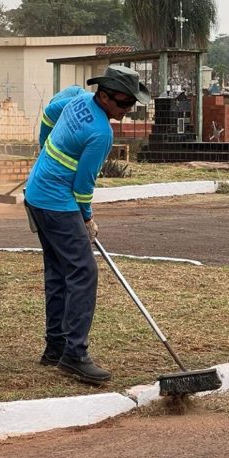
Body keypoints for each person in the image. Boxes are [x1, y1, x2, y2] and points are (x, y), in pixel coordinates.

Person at [23, 66, 149, 385]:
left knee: (58, 270)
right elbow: (83, 186)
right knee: (83, 271)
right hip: (57, 202)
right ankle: (74, 355)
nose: (127, 110)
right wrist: (88, 217)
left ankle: (55, 347)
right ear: (104, 96)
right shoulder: (101, 133)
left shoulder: (77, 97)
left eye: (132, 104)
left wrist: (44, 148)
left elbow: (50, 110)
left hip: (36, 194)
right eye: (123, 104)